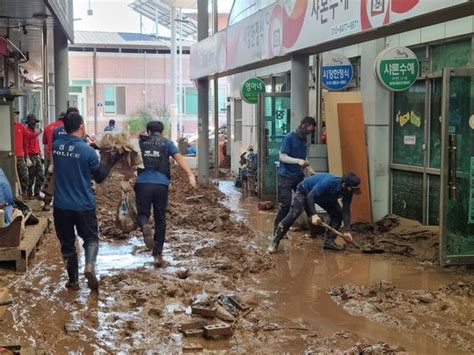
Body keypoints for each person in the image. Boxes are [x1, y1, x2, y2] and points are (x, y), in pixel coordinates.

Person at [52, 112, 120, 291]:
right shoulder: (87, 151)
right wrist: (111, 161)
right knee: (90, 238)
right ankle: (89, 266)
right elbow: (99, 177)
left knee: (67, 243)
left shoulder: (56, 146)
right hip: (83, 205)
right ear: (81, 126)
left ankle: (73, 281)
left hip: (60, 205)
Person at [135, 120, 196, 267]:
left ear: (148, 132)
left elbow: (128, 158)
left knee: (143, 214)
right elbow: (179, 158)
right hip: (161, 185)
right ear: (161, 132)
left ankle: (144, 227)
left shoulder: (140, 143)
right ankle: (158, 252)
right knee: (160, 218)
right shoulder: (167, 143)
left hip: (143, 183)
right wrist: (190, 175)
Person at [268, 172, 361, 253]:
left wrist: (347, 231)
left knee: (338, 214)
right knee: (293, 214)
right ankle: (276, 240)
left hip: (325, 197)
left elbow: (346, 210)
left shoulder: (349, 191)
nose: (353, 192)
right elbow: (310, 197)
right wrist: (314, 214)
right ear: (344, 185)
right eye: (352, 189)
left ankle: (329, 241)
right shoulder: (329, 183)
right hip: (305, 191)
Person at [274, 116, 317, 235]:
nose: (309, 133)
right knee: (286, 204)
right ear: (304, 125)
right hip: (286, 176)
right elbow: (282, 156)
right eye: (309, 130)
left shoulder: (304, 140)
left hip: (298, 175)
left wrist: (310, 168)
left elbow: (303, 158)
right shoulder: (289, 137)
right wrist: (297, 161)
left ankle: (314, 230)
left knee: (308, 200)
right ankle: (277, 231)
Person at [13, 110, 41, 198]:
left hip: (24, 155)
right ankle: (25, 193)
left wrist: (40, 154)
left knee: (27, 175)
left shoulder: (21, 126)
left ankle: (29, 193)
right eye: (14, 114)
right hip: (16, 155)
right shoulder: (7, 126)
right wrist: (28, 157)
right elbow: (26, 144)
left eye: (17, 115)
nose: (16, 116)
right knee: (29, 176)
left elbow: (32, 138)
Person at [42, 112, 66, 210]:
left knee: (50, 179)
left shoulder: (49, 127)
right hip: (66, 158)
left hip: (51, 156)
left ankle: (47, 203)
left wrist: (51, 162)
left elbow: (46, 143)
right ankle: (62, 202)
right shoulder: (70, 129)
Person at [23, 114, 44, 199]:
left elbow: (37, 144)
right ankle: (29, 194)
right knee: (31, 176)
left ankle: (37, 193)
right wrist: (27, 158)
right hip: (30, 155)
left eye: (35, 121)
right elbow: (25, 146)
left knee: (40, 175)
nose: (34, 122)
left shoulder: (35, 131)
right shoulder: (26, 132)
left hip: (36, 155)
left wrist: (40, 154)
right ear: (28, 122)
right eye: (32, 121)